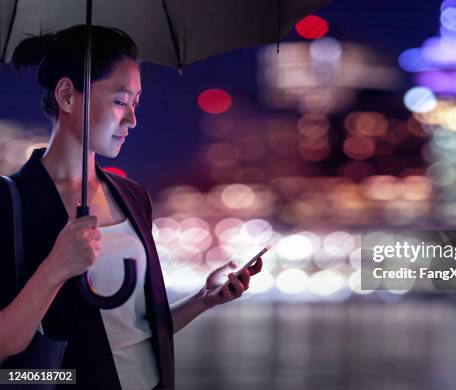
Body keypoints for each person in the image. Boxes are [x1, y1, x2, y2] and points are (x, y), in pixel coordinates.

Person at [0, 25, 262, 390]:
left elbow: (133, 332)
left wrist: (203, 299)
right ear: (67, 95)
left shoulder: (132, 195)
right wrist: (55, 269)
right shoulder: (12, 201)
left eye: (136, 103)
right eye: (121, 101)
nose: (132, 119)